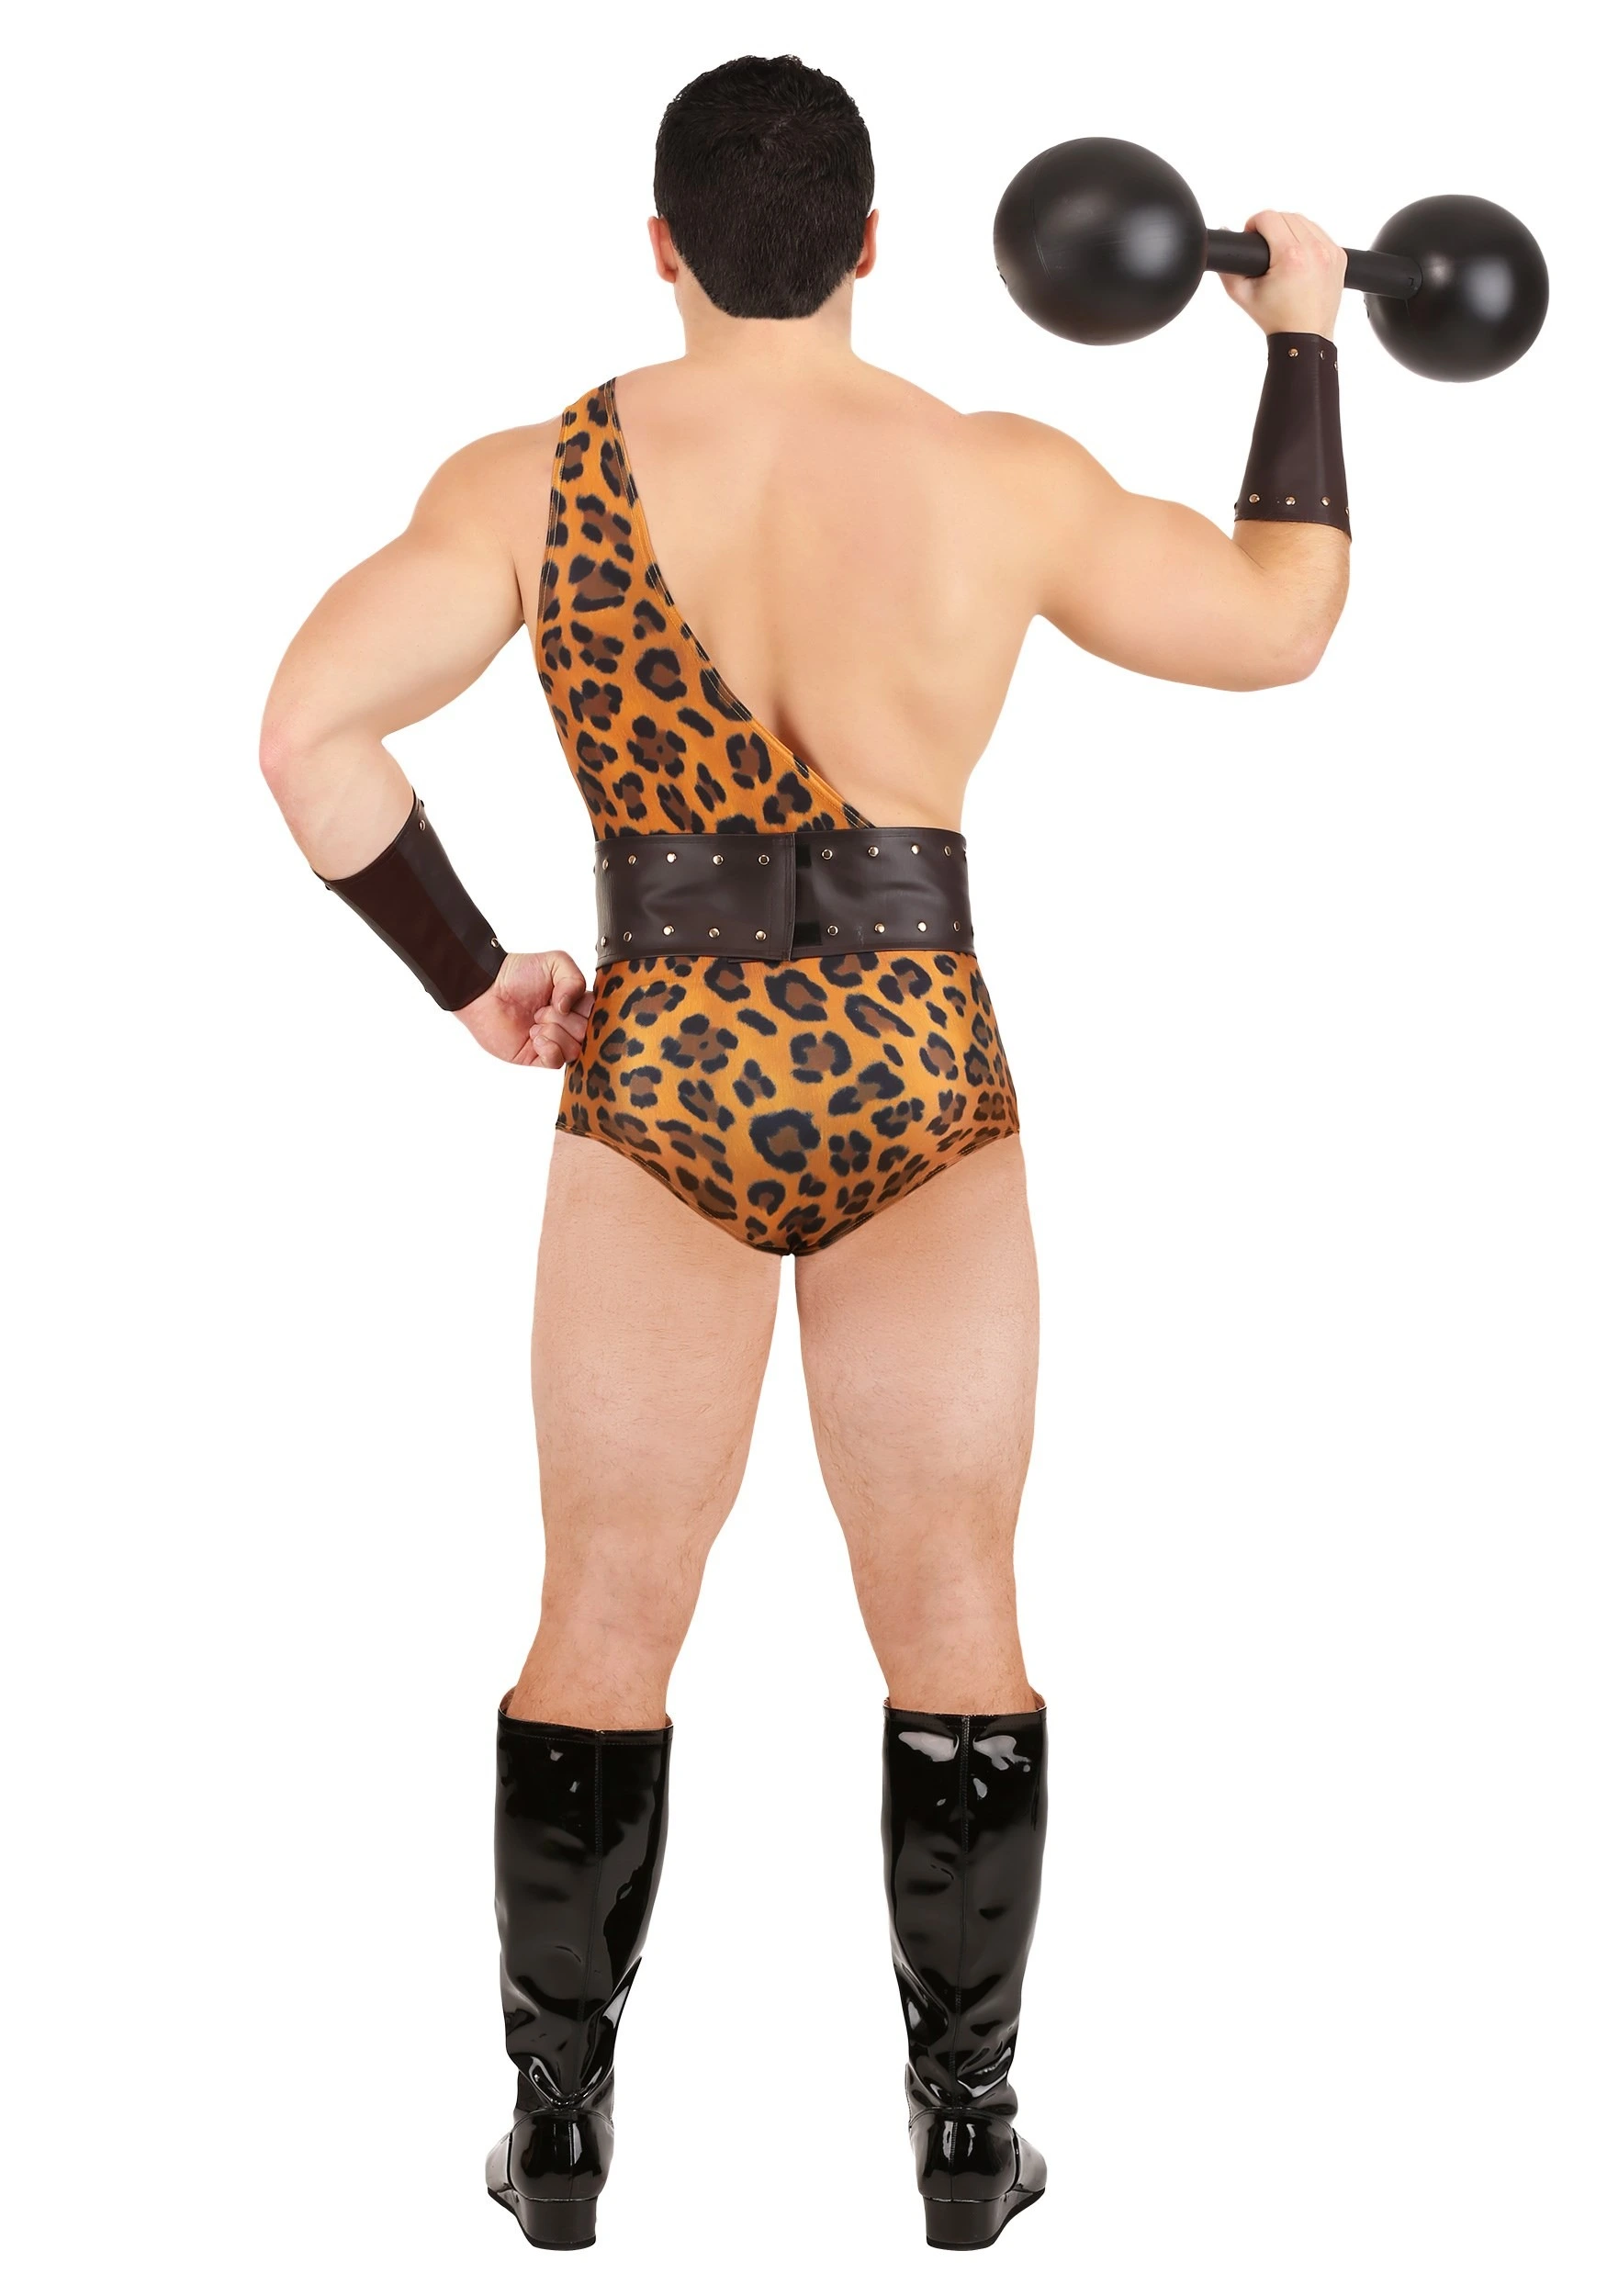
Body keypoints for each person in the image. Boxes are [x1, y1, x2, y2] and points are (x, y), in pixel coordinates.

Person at [259, 53, 1350, 2255]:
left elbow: (309, 734)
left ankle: (557, 2135)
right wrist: (1300, 334)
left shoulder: (530, 479)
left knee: (600, 1609)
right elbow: (1275, 620)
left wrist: (469, 971)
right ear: (871, 246)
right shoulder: (989, 472)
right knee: (952, 1604)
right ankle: (964, 2134)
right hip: (913, 1069)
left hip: (661, 1067)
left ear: (656, 245)